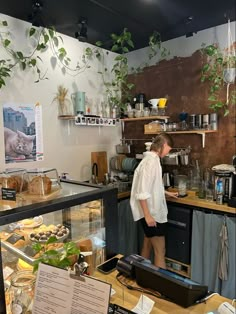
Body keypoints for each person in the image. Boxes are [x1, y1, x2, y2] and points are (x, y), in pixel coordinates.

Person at [130, 132, 178, 268]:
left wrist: (166, 193)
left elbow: (151, 186)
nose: (168, 152)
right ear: (164, 145)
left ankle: (139, 277)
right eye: (169, 149)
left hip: (151, 212)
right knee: (160, 251)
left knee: (147, 245)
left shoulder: (153, 159)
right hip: (152, 214)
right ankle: (160, 287)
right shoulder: (150, 162)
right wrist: (148, 216)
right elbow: (142, 192)